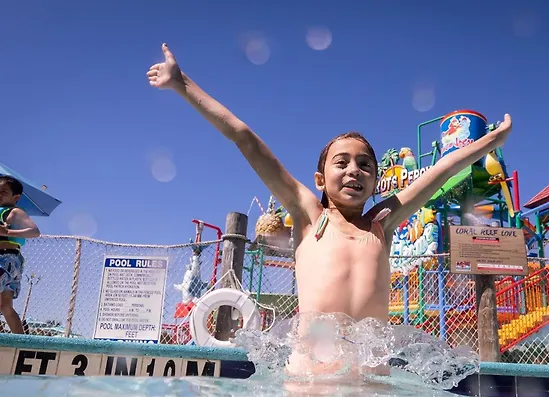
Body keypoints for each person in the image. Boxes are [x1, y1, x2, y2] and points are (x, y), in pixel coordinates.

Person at [147, 43, 512, 374]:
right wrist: (183, 84)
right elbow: (245, 138)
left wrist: (488, 142)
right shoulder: (310, 217)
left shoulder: (381, 223)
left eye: (365, 165)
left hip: (372, 386)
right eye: (342, 162)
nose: (354, 170)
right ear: (320, 179)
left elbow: (439, 173)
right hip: (309, 382)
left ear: (376, 181)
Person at [0, 175, 41, 333]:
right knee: (5, 305)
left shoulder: (14, 212)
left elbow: (34, 231)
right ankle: (21, 341)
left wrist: (8, 232)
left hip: (6, 259)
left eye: (3, 192)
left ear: (15, 198)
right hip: (11, 261)